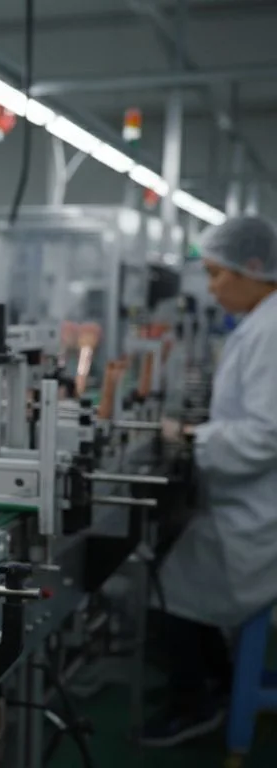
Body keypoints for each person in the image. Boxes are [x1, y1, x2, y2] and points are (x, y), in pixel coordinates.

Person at [145, 215, 277, 747]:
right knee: (179, 573)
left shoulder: (270, 330)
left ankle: (195, 702)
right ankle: (219, 684)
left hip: (259, 519)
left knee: (169, 585)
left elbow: (267, 435)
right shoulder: (261, 323)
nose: (212, 287)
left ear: (253, 269)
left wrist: (192, 439)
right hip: (249, 504)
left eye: (218, 274)